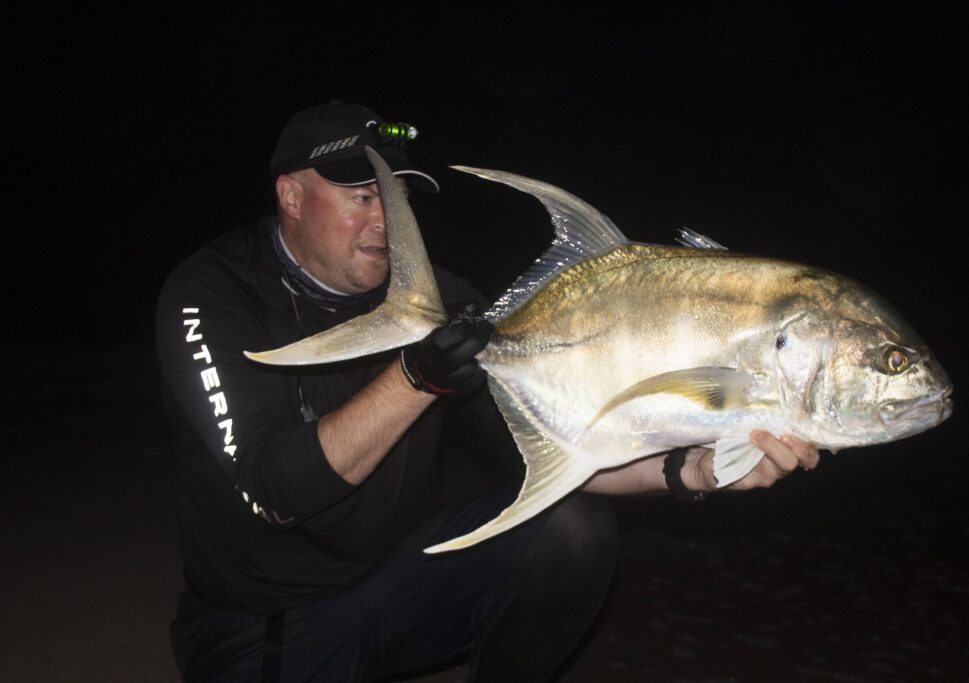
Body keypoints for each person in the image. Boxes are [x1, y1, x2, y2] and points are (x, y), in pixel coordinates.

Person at [156, 101, 819, 682]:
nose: (387, 221)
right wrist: (416, 378)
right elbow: (278, 491)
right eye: (362, 196)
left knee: (574, 532)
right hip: (260, 622)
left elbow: (558, 450)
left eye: (398, 199)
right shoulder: (212, 294)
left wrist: (689, 471)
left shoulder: (447, 306)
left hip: (398, 585)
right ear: (292, 197)